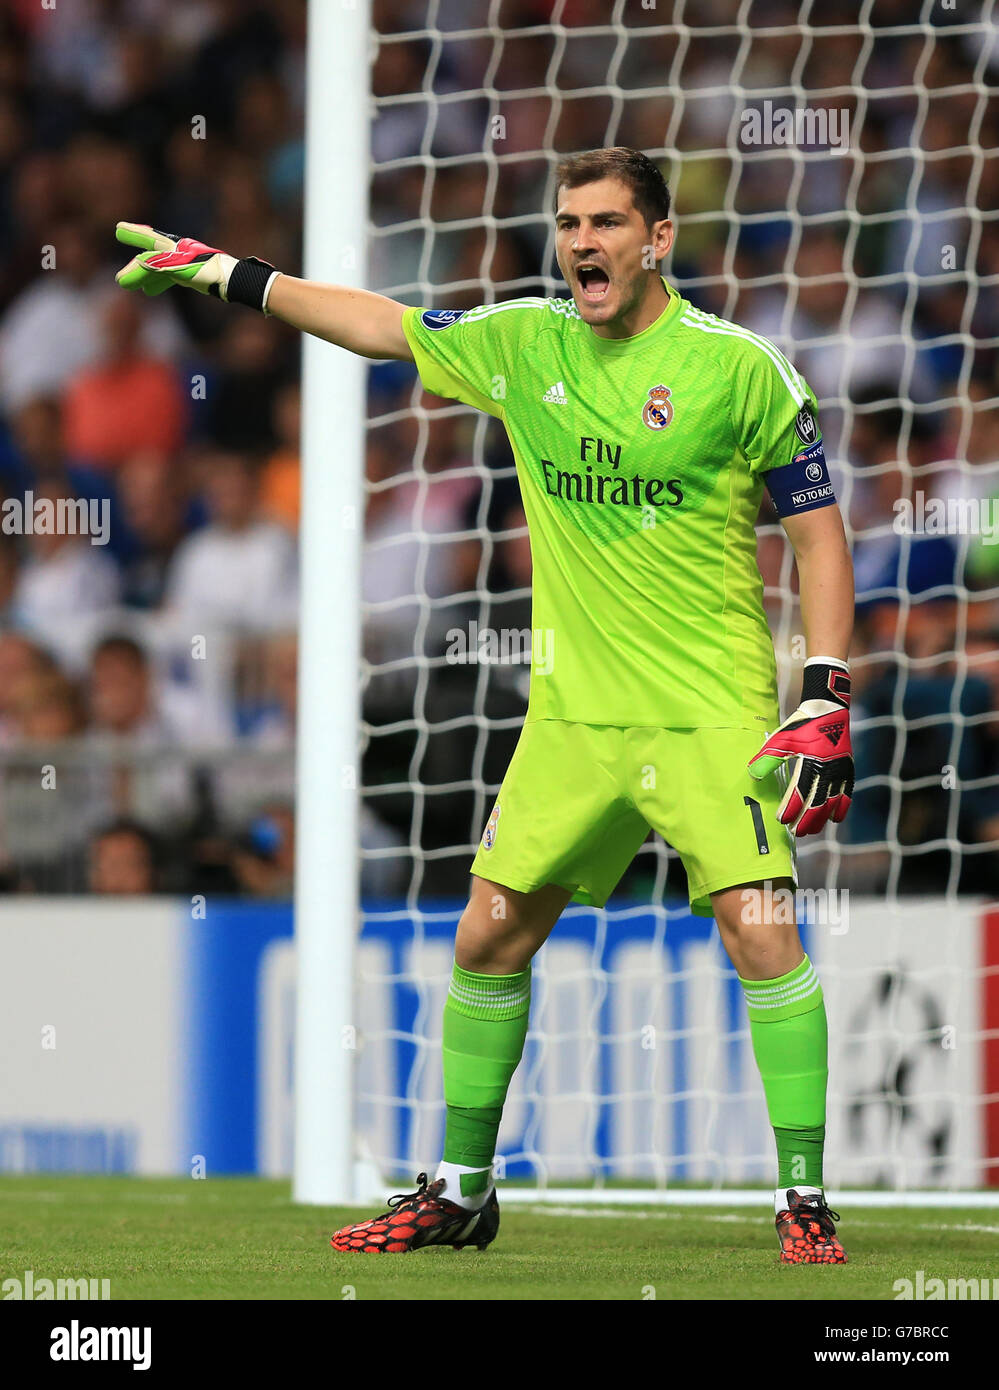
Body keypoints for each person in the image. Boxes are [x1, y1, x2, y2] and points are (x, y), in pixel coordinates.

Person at [113, 146, 855, 1264]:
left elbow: (818, 533)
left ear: (657, 240)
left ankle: (804, 1198)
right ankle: (460, 1191)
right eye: (568, 224)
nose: (582, 244)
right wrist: (232, 274)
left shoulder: (740, 370)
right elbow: (380, 323)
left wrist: (825, 687)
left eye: (607, 223)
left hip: (708, 713)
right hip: (570, 716)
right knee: (490, 932)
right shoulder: (525, 342)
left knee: (763, 931)